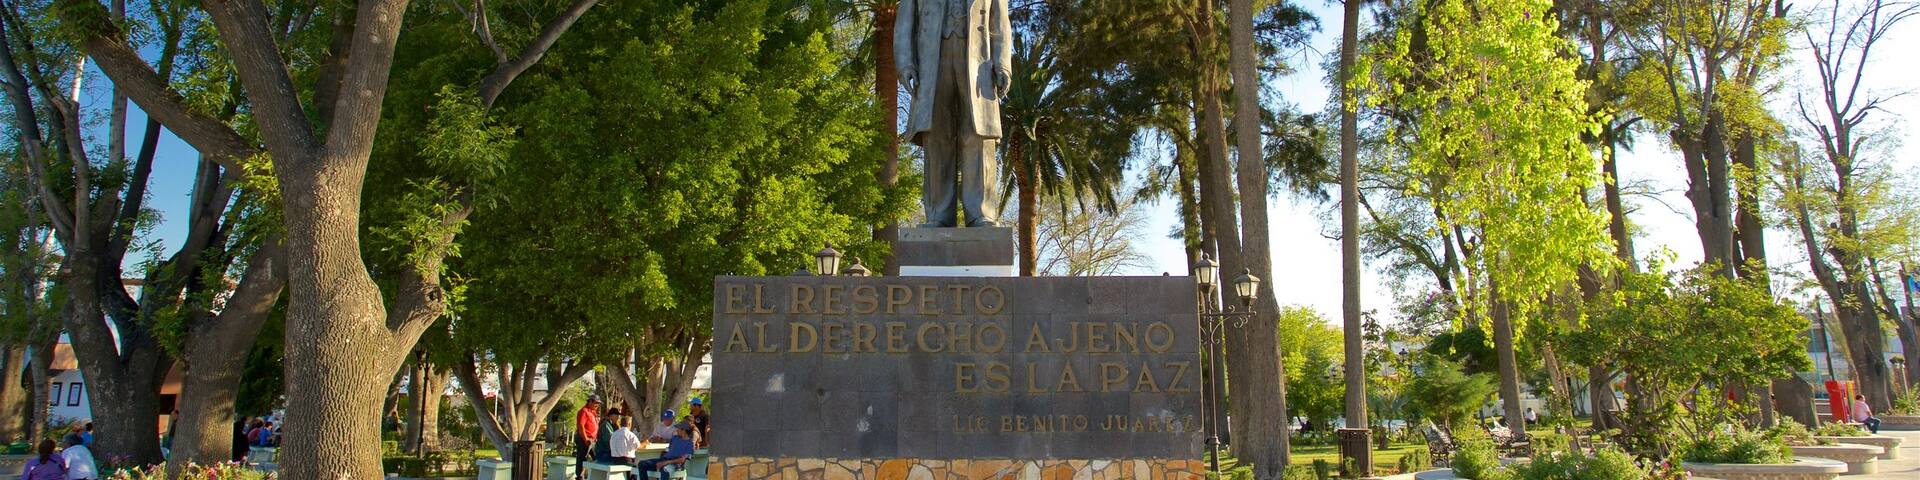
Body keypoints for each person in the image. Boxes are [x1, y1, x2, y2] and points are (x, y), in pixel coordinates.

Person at [574, 396, 601, 479]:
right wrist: (585, 439)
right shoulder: (584, 411)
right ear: (590, 402)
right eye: (596, 403)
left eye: (598, 403)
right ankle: (579, 477)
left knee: (597, 457)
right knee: (582, 457)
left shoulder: (593, 412)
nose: (597, 405)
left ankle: (593, 476)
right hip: (584, 438)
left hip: (592, 439)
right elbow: (581, 426)